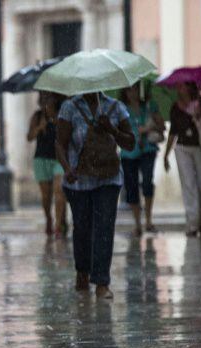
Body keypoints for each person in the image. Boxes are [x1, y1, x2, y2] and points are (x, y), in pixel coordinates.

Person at [56, 92, 135, 299]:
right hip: (79, 181)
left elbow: (130, 143)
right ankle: (82, 271)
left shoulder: (115, 107)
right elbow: (60, 143)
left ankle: (102, 282)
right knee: (82, 228)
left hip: (109, 178)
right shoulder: (70, 107)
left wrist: (111, 129)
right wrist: (66, 168)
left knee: (104, 228)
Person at [163, 82, 201, 237]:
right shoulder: (175, 107)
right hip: (182, 149)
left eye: (182, 85)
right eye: (178, 86)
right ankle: (192, 223)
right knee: (188, 185)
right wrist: (166, 154)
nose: (179, 88)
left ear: (190, 87)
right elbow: (173, 132)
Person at [119, 82, 166, 235]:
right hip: (129, 152)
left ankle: (148, 220)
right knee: (131, 186)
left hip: (148, 149)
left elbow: (162, 127)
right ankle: (137, 223)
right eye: (129, 89)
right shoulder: (121, 109)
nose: (132, 92)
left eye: (134, 88)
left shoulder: (150, 106)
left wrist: (149, 127)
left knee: (147, 182)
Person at [27, 91, 67, 237]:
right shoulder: (37, 116)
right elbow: (29, 137)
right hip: (41, 159)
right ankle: (49, 218)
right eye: (43, 97)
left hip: (59, 159)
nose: (46, 100)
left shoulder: (63, 114)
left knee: (59, 191)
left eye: (49, 97)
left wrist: (56, 122)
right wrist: (39, 128)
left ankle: (59, 224)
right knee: (46, 196)